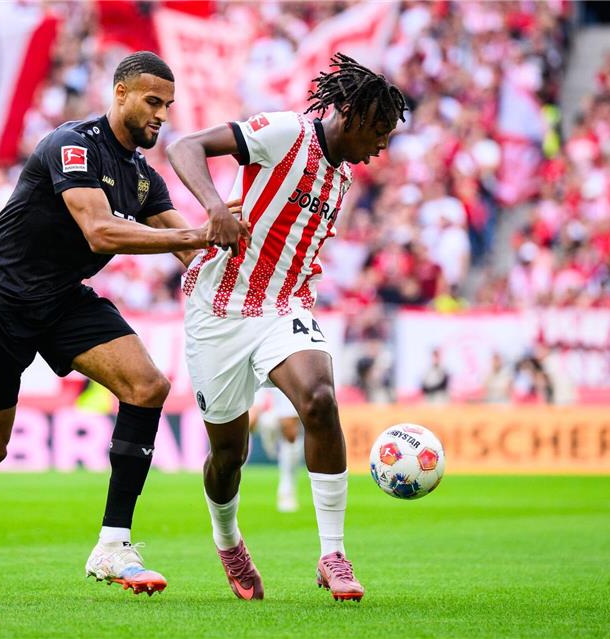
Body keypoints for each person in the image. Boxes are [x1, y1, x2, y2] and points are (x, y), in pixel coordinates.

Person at [0, 51, 248, 597]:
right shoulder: (72, 144)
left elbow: (196, 251)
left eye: (168, 106)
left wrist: (248, 272)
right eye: (152, 102)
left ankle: (112, 545)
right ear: (121, 92)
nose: (161, 115)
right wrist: (200, 235)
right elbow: (102, 232)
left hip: (59, 300)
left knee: (148, 386)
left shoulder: (142, 177)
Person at [167, 52, 407, 601]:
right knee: (229, 454)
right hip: (219, 311)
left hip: (285, 307)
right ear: (348, 114)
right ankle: (228, 541)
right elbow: (185, 147)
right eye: (378, 131)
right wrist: (214, 209)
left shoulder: (342, 179)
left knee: (320, 399)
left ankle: (333, 555)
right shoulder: (285, 132)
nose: (381, 147)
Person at [251, 388, 303, 512]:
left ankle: (287, 489)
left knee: (290, 431)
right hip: (260, 378)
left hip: (284, 383)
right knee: (255, 422)